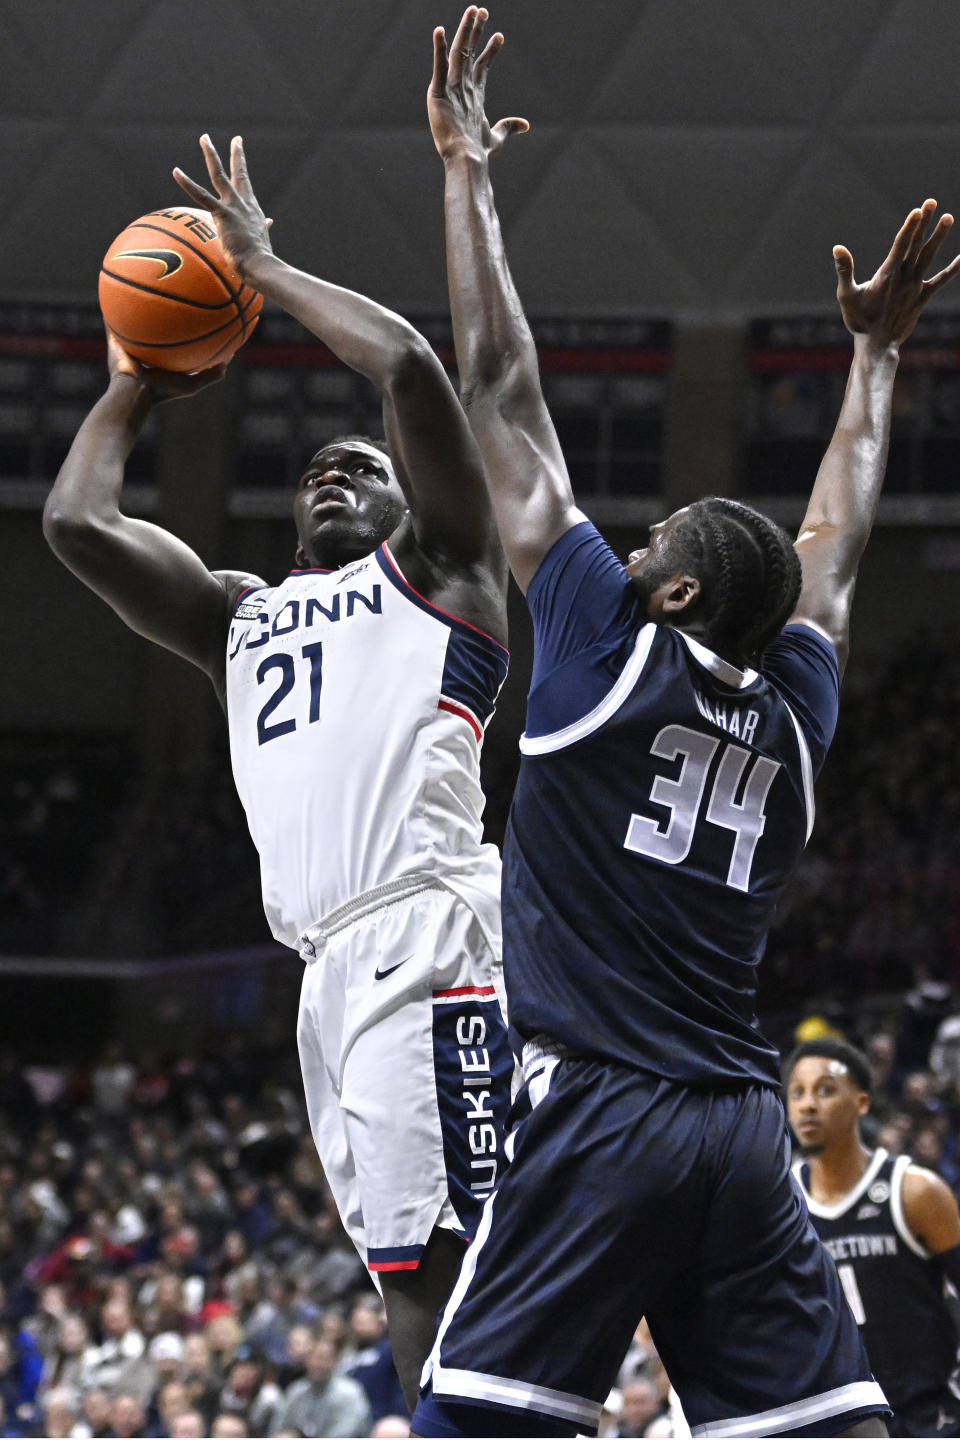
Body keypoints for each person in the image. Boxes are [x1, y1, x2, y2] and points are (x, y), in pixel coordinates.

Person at [412, 7, 960, 1437]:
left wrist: (465, 173)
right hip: (732, 1126)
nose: (625, 537)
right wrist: (880, 363)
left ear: (668, 587)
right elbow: (830, 556)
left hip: (598, 1106)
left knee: (472, 1420)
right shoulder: (791, 717)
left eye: (646, 535)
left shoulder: (606, 648)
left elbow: (501, 391)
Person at [43, 132, 515, 1407]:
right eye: (316, 468)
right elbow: (76, 523)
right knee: (410, 1274)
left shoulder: (444, 575)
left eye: (360, 467)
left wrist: (265, 268)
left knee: (459, 1280)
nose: (334, 471)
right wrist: (140, 378)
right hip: (323, 973)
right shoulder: (239, 620)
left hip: (429, 935)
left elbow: (411, 365)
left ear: (405, 502)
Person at [787, 1037, 960, 1437]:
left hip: (929, 1415)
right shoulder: (782, 1205)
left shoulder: (915, 1191)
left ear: (862, 1102)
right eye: (797, 1092)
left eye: (825, 1090)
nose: (807, 1104)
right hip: (842, 1421)